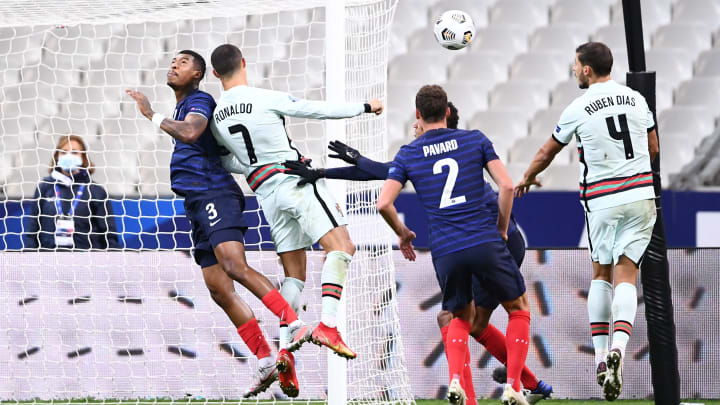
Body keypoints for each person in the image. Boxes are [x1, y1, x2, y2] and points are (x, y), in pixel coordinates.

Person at [286, 102, 552, 405]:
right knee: (460, 321)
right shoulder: (456, 149)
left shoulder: (443, 151)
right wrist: (326, 171)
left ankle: (516, 386)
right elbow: (384, 173)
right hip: (491, 241)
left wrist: (344, 164)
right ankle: (524, 384)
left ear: (429, 120)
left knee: (461, 320)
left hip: (495, 241)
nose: (414, 126)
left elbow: (384, 174)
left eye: (418, 122)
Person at [125, 50, 309, 398]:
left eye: (183, 62)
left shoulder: (200, 101)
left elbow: (193, 133)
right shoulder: (182, 106)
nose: (174, 65)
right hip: (195, 201)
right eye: (173, 61)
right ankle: (266, 360)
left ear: (198, 74)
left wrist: (150, 114)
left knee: (234, 266)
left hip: (214, 193)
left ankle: (295, 324)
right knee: (218, 288)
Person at [208, 43, 383, 372]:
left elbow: (224, 160)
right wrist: (364, 107)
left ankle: (286, 348)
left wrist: (249, 165)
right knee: (342, 247)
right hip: (295, 181)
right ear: (244, 63)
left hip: (266, 194)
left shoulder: (216, 117)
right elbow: (314, 109)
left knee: (295, 276)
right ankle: (328, 326)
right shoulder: (264, 97)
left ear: (215, 74)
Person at [514, 42, 659, 401]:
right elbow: (654, 149)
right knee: (629, 273)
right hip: (641, 195)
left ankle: (598, 357)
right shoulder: (637, 99)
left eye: (576, 66)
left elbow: (549, 150)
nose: (574, 71)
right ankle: (620, 352)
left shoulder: (579, 106)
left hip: (603, 200)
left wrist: (527, 177)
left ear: (588, 70)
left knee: (601, 273)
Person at [376, 85, 532, 405]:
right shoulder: (474, 139)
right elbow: (506, 185)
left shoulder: (409, 152)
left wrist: (403, 233)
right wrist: (501, 230)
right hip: (484, 240)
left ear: (417, 115)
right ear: (448, 112)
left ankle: (456, 380)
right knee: (518, 309)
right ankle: (514, 386)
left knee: (459, 317)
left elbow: (383, 204)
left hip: (446, 250)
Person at [24, 135, 121, 251]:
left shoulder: (95, 191)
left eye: (74, 152)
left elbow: (109, 234)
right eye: (64, 152)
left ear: (83, 157)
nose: (69, 156)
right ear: (57, 157)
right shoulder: (45, 187)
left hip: (86, 261)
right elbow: (32, 229)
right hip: (49, 260)